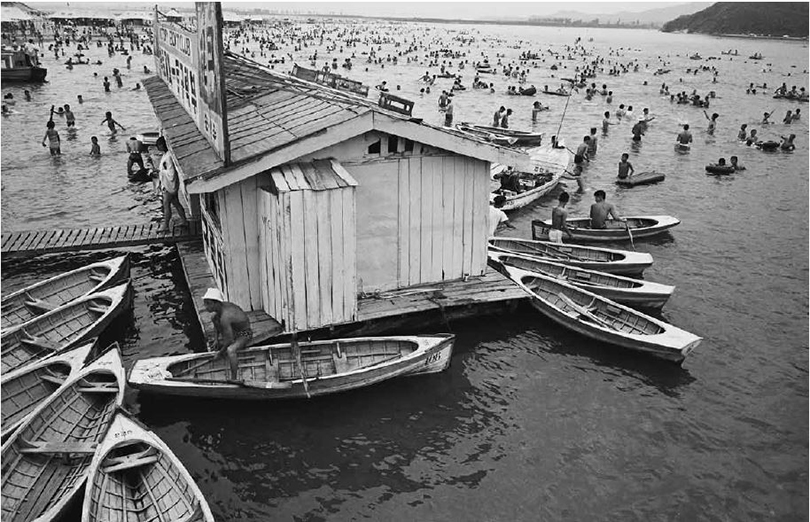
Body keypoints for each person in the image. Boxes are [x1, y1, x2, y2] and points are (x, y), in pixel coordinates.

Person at [203, 288, 252, 382]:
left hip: (245, 333)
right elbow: (216, 322)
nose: (205, 307)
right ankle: (219, 341)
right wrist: (216, 339)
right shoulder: (221, 308)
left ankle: (234, 379)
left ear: (216, 303)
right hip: (234, 330)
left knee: (230, 350)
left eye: (208, 303)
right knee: (213, 317)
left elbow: (229, 341)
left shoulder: (225, 317)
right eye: (205, 303)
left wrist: (220, 353)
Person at [157, 137, 188, 232]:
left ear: (162, 145)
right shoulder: (166, 155)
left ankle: (165, 225)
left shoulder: (168, 157)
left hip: (169, 185)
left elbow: (171, 173)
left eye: (158, 146)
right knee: (176, 203)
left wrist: (160, 172)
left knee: (166, 204)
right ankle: (184, 220)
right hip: (170, 184)